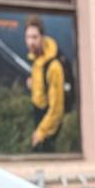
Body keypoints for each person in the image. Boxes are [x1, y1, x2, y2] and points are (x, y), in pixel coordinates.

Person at [24, 15, 66, 152]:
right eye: (28, 37)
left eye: (35, 37)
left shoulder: (54, 66)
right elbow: (42, 86)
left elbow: (56, 109)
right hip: (38, 115)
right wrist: (33, 84)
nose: (31, 42)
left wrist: (41, 132)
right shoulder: (36, 59)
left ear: (42, 37)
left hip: (48, 125)